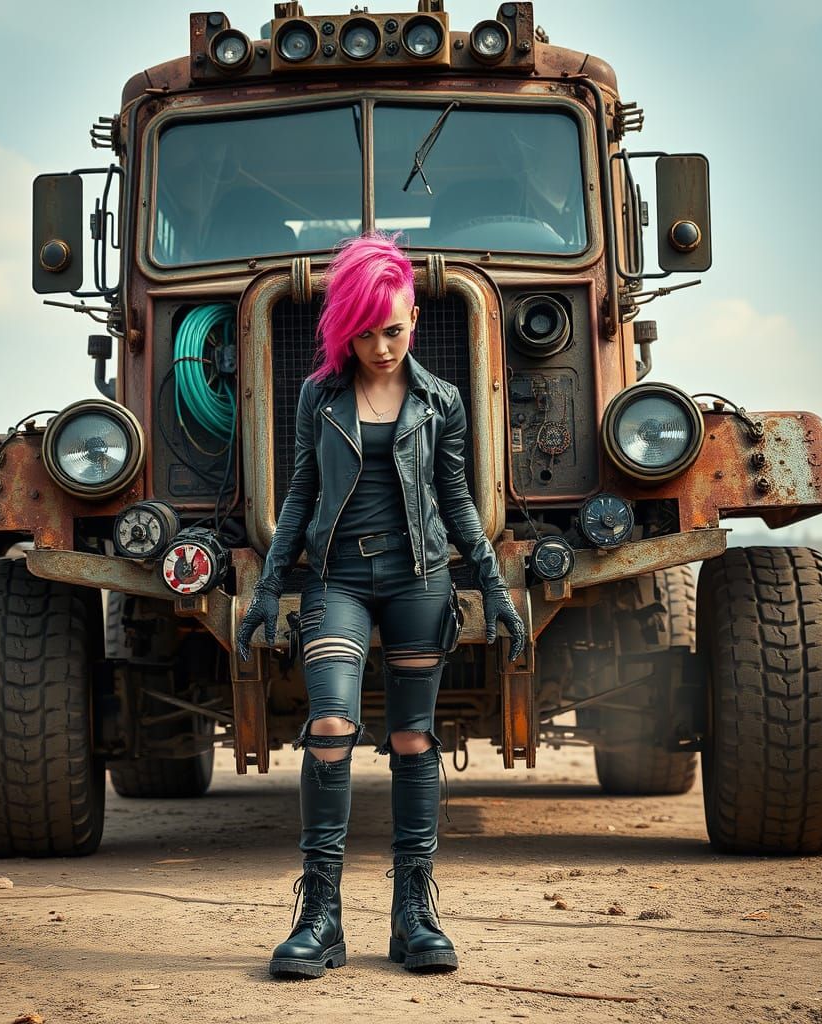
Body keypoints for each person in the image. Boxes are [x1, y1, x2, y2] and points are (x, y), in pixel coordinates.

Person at [236, 232, 526, 979]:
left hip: (420, 580)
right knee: (330, 723)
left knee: (412, 739)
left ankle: (414, 912)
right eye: (364, 330)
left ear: (414, 320)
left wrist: (492, 585)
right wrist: (270, 587)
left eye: (392, 328)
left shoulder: (443, 401)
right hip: (336, 581)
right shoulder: (316, 395)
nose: (381, 345)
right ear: (344, 327)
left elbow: (458, 499)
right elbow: (300, 491)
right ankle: (320, 916)